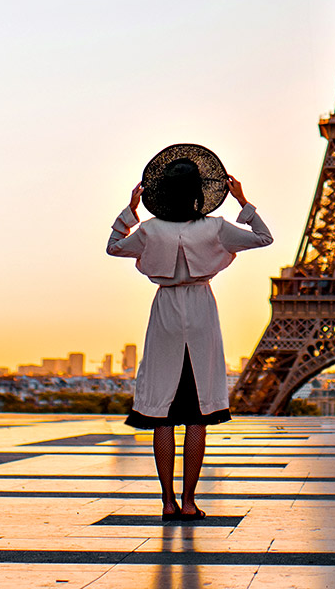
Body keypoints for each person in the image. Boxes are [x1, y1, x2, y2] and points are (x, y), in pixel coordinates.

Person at [106, 144, 273, 520]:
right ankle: (191, 502)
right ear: (201, 192)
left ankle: (166, 502)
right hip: (200, 311)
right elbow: (264, 238)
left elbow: (113, 247)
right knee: (198, 415)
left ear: (160, 192)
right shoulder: (214, 227)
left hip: (165, 313)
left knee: (161, 415)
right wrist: (244, 201)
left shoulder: (150, 230)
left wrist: (130, 212)